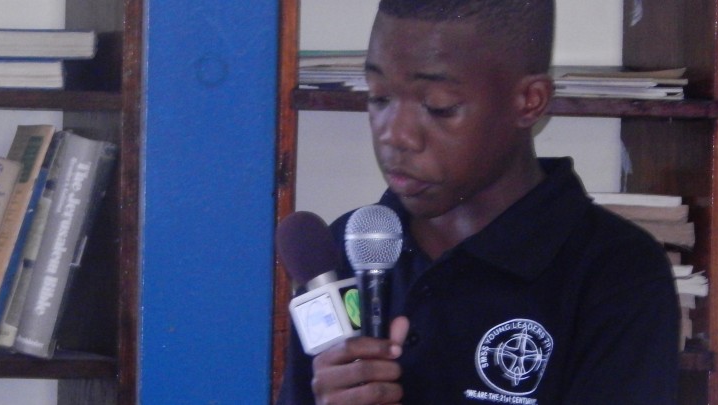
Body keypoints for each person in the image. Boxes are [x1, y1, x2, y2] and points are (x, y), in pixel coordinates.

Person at [278, 0, 680, 403]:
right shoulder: (349, 250)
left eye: (438, 106)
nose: (395, 134)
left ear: (529, 101)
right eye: (379, 96)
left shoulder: (616, 274)